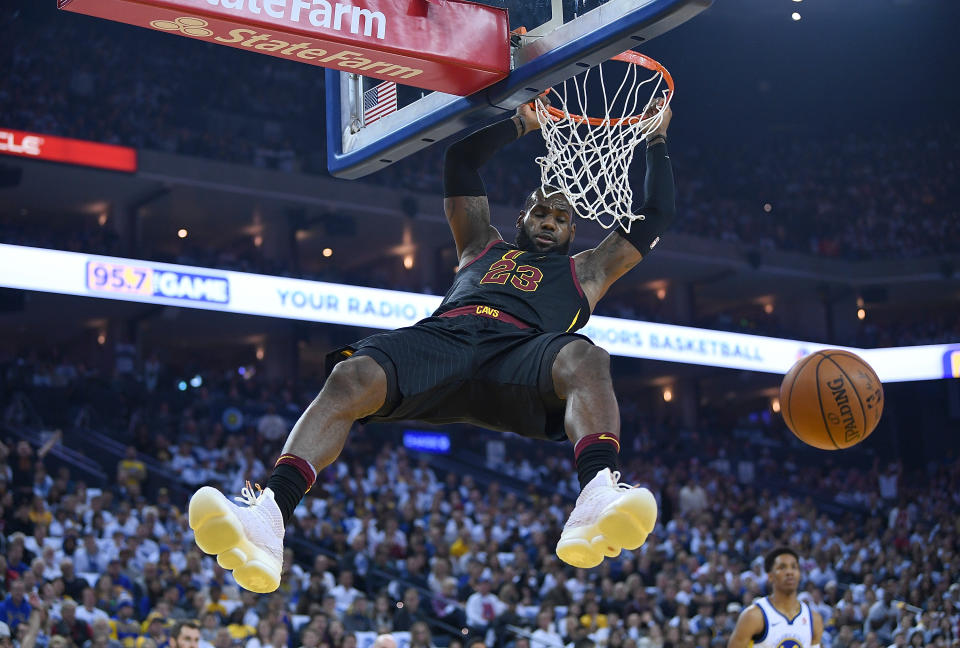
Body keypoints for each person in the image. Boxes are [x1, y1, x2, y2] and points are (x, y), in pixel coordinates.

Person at [188, 96, 675, 593]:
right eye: (540, 212)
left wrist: (655, 140)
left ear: (574, 230)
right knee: (350, 375)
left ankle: (596, 491)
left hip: (520, 355)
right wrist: (519, 123)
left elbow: (656, 214)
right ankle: (269, 516)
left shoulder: (586, 269)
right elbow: (459, 162)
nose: (549, 221)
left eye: (560, 218)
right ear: (522, 218)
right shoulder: (480, 244)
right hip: (444, 339)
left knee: (586, 355)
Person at [727, 547, 824, 648]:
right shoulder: (753, 615)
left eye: (794, 567)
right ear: (770, 576)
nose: (789, 572)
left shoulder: (813, 619)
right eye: (782, 567)